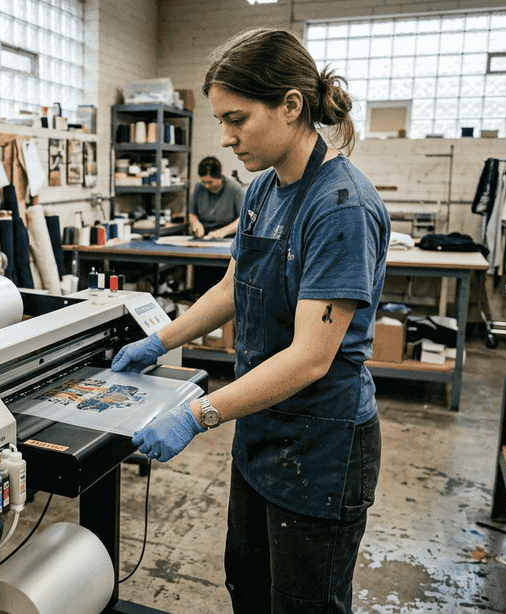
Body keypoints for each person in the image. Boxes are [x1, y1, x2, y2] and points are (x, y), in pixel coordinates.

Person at [112, 28, 388, 614]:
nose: (225, 138)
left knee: (302, 604)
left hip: (321, 447)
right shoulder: (262, 189)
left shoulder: (341, 207)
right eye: (221, 120)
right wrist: (156, 339)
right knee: (250, 588)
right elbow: (232, 286)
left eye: (237, 118)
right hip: (260, 430)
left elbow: (312, 357)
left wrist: (197, 412)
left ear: (291, 105)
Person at [188, 156, 246, 239]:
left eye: (210, 182)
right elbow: (192, 213)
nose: (206, 186)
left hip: (228, 237)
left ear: (220, 177)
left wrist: (222, 232)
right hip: (203, 236)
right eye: (203, 182)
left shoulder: (236, 189)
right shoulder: (198, 188)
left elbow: (243, 218)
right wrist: (196, 224)